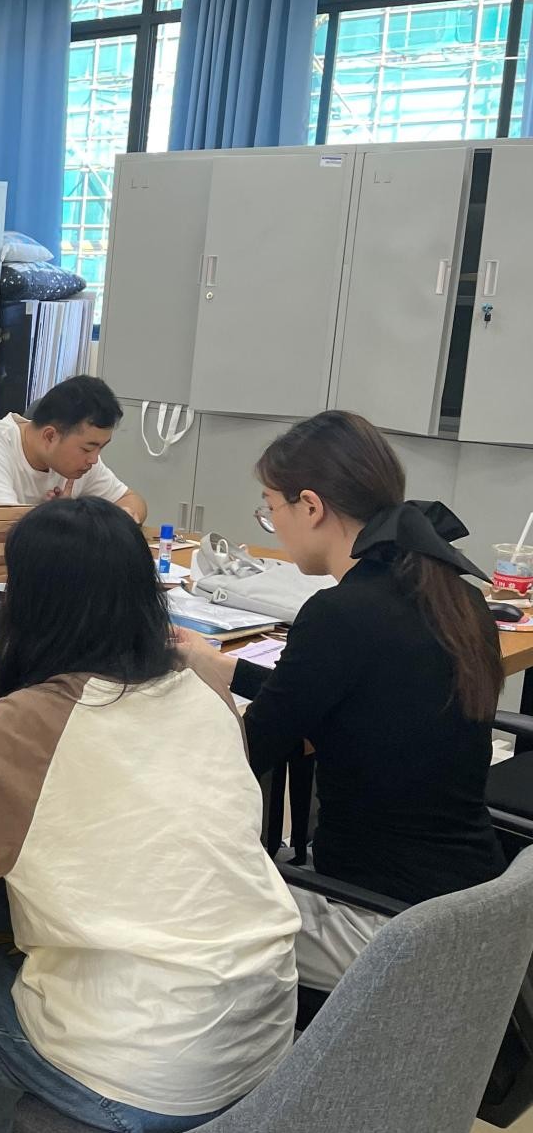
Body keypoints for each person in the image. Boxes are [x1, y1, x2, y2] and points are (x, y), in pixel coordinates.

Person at [0, 497, 299, 1133]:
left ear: (30, 606)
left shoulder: (35, 719)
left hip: (149, 1076)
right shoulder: (200, 691)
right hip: (264, 1040)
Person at [174, 411, 504, 990]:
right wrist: (223, 666)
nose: (272, 525)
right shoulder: (455, 597)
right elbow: (347, 691)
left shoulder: (337, 614)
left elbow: (242, 758)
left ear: (310, 506)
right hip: (473, 907)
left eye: (269, 509)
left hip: (378, 927)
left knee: (175, 924)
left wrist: (199, 698)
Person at [0, 375, 147, 520]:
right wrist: (62, 520)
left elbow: (131, 500)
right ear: (50, 436)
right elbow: (11, 535)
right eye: (87, 449)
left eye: (100, 448)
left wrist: (124, 517)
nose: (94, 459)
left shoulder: (80, 462)